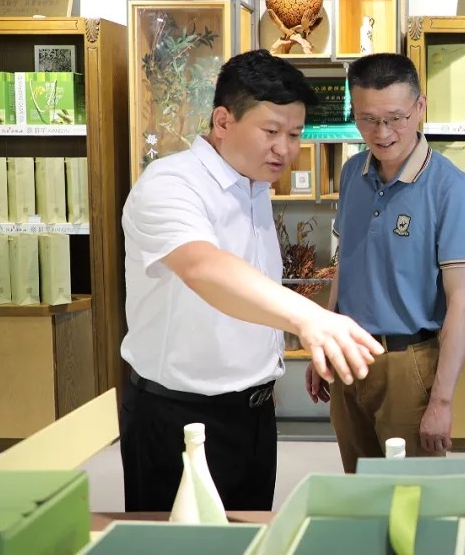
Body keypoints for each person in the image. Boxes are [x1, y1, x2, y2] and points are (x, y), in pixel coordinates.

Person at [120, 49, 383, 512]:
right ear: (223, 121)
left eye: (295, 134)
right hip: (179, 416)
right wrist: (309, 318)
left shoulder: (254, 186)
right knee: (178, 540)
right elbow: (203, 266)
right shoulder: (170, 183)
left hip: (255, 412)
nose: (285, 149)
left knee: (251, 532)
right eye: (271, 131)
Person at [304, 53, 465, 473]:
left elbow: (461, 301)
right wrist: (325, 344)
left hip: (408, 364)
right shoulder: (353, 173)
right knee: (359, 488)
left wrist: (442, 400)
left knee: (414, 494)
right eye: (368, 120)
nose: (382, 134)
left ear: (420, 107)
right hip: (348, 356)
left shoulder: (450, 187)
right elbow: (346, 264)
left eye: (395, 119)